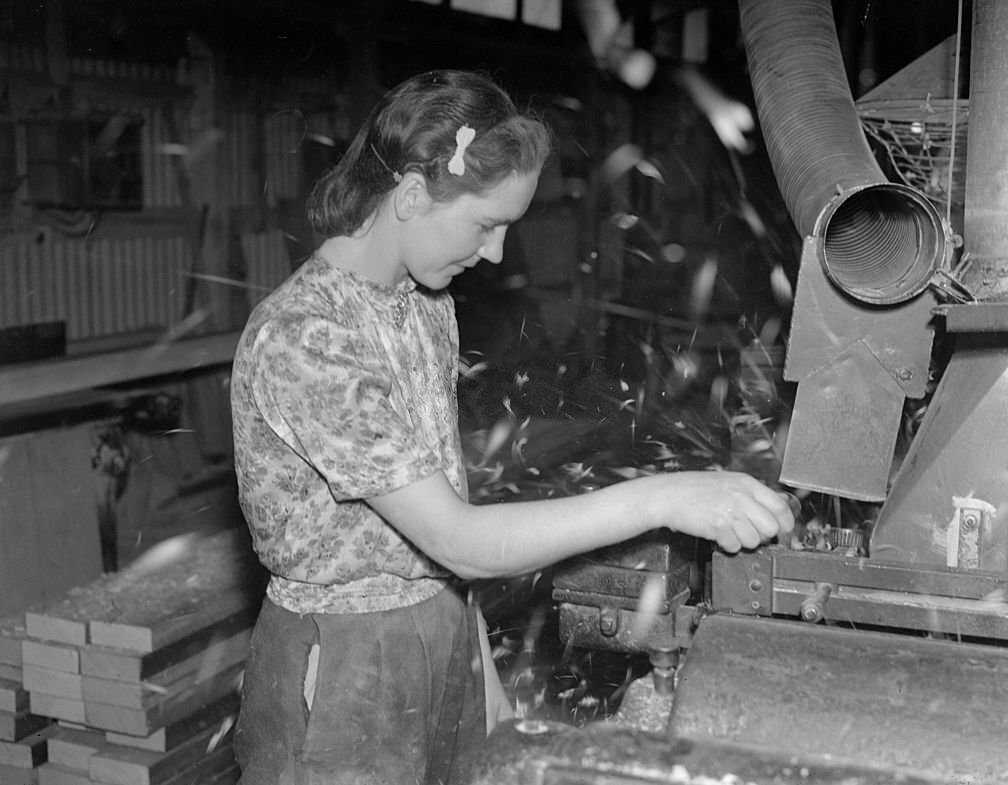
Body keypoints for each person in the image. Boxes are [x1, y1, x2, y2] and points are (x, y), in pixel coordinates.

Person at [230, 69, 794, 785]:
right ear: (410, 195)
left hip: (438, 635)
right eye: (485, 224)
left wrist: (484, 685)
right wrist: (665, 495)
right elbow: (458, 538)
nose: (495, 253)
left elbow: (440, 524)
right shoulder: (305, 336)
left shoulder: (423, 305)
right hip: (342, 672)